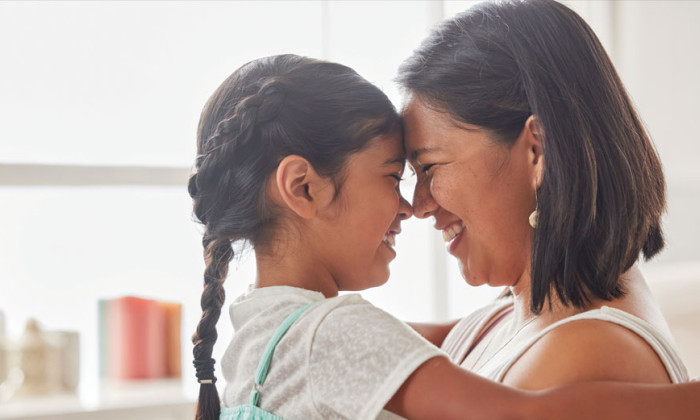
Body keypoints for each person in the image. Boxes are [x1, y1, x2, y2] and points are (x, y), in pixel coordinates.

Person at [188, 53, 700, 420]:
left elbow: (484, 328)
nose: (412, 205)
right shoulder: (335, 335)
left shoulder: (257, 332)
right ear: (302, 187)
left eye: (429, 168)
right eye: (396, 176)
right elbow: (525, 415)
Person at [397, 0, 688, 389]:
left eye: (429, 167)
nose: (419, 206)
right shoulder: (522, 309)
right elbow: (362, 343)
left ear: (537, 151)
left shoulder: (588, 353)